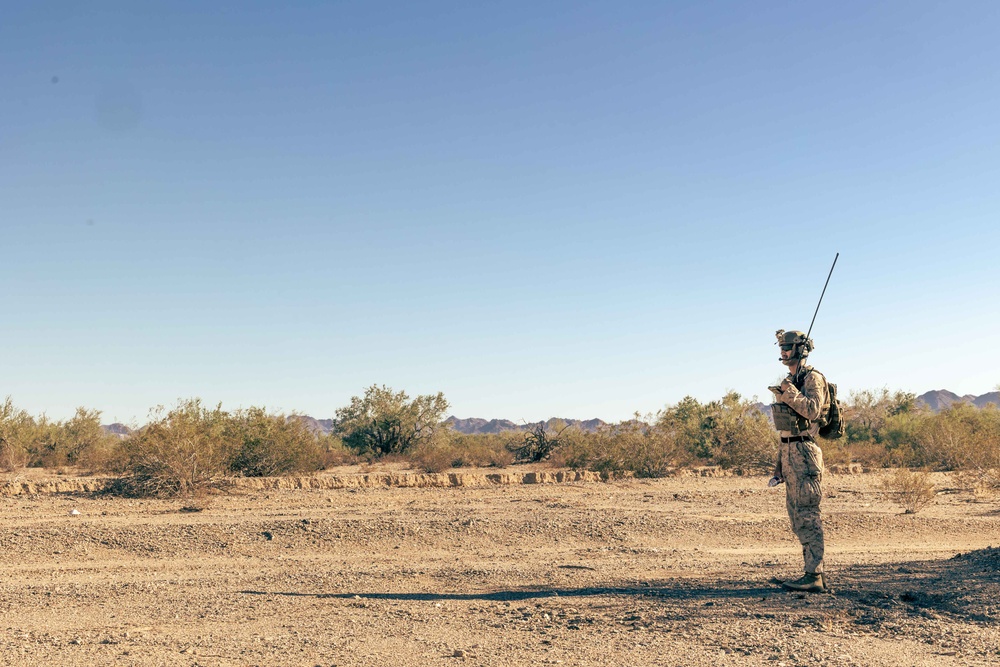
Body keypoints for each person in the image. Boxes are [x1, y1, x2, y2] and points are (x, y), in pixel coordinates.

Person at [769, 329, 831, 593]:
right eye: (782, 347)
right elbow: (786, 429)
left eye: (789, 347)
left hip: (805, 453)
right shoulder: (791, 380)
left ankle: (814, 576)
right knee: (796, 516)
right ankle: (810, 573)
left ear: (801, 349)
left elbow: (813, 410)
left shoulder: (812, 378)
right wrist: (779, 465)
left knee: (808, 515)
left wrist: (789, 392)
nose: (784, 351)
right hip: (790, 453)